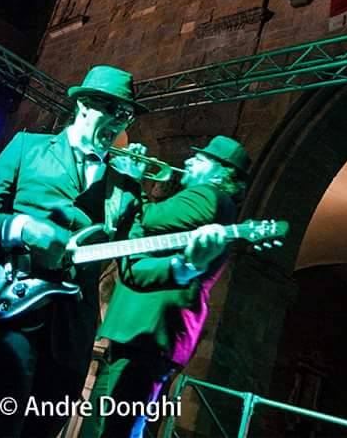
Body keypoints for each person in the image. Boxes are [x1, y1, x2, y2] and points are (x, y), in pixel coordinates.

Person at [0, 65, 149, 438]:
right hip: (14, 303)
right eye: (114, 112)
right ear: (85, 105)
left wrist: (189, 263)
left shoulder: (125, 184)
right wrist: (24, 228)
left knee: (43, 429)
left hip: (73, 329)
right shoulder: (27, 147)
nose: (120, 124)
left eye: (126, 117)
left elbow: (136, 265)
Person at [80, 135, 252, 438]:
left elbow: (146, 219)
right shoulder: (207, 200)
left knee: (109, 430)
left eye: (198, 160)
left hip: (149, 333)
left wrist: (131, 179)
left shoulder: (207, 196)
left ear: (219, 172)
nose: (186, 162)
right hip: (146, 335)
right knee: (110, 427)